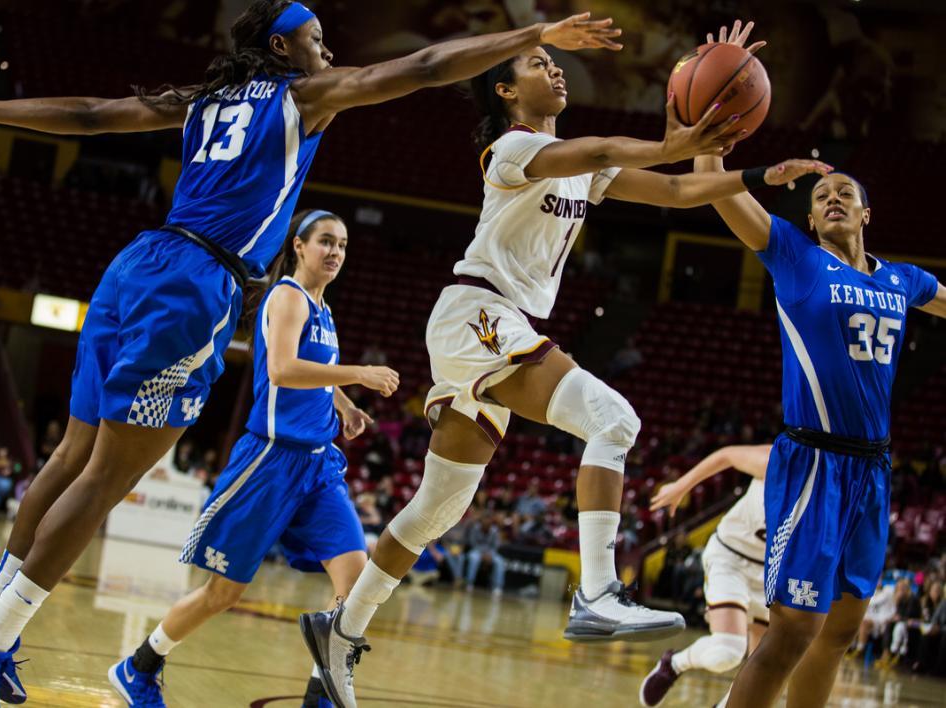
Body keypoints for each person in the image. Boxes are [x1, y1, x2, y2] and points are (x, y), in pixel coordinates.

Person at [0, 3, 628, 705]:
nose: (330, 53)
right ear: (283, 50)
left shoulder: (205, 97)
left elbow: (94, 115)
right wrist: (534, 30)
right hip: (195, 284)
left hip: (136, 262)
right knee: (102, 478)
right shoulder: (304, 96)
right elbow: (427, 65)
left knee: (70, 456)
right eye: (317, 40)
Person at [299, 19, 831, 707]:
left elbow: (672, 193)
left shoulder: (585, 165)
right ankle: (598, 590)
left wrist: (757, 173)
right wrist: (672, 141)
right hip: (476, 314)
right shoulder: (512, 147)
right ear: (505, 89)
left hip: (493, 327)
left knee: (438, 507)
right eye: (536, 62)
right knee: (615, 420)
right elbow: (603, 145)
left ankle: (341, 631)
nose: (552, 71)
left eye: (553, 63)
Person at [691, 22, 946, 708]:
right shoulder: (794, 258)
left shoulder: (906, 281)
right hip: (812, 461)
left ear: (866, 212)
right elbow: (713, 191)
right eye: (819, 198)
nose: (830, 198)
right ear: (809, 221)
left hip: (873, 468)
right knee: (791, 628)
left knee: (840, 631)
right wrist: (709, 126)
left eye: (844, 194)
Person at [109, 210, 394, 707]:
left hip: (318, 465)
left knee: (355, 582)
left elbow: (317, 371)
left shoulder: (324, 311)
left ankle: (318, 696)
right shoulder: (287, 297)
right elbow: (283, 370)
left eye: (343, 245)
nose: (335, 253)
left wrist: (344, 405)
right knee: (223, 594)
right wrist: (359, 375)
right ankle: (140, 666)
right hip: (270, 460)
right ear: (299, 246)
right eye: (325, 241)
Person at [639, 444, 772, 707]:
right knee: (726, 652)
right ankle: (674, 664)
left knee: (764, 669)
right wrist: (681, 486)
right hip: (732, 556)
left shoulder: (838, 486)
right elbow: (727, 455)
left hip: (773, 572)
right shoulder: (775, 460)